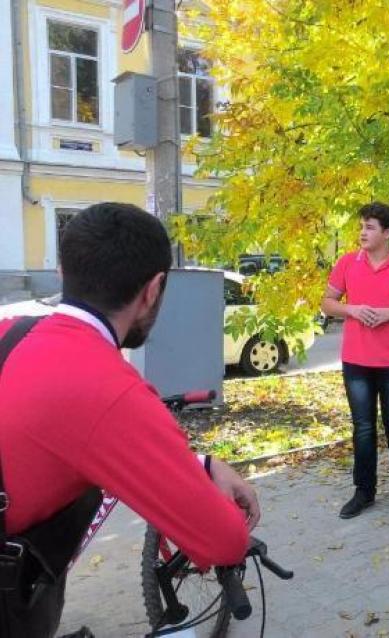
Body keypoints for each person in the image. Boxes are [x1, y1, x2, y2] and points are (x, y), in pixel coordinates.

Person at [0, 203, 260, 637]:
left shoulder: (11, 332)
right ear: (154, 289)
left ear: (63, 272)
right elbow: (224, 540)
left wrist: (201, 466)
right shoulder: (109, 390)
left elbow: (52, 434)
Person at [321, 202, 389, 522]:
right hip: (356, 361)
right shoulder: (347, 263)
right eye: (361, 227)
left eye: (369, 227)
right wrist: (352, 310)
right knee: (363, 429)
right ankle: (364, 492)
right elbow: (327, 303)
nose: (362, 233)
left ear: (387, 233)